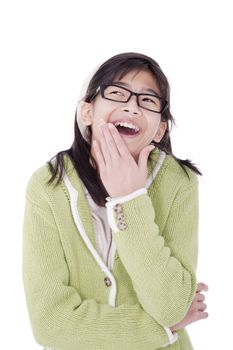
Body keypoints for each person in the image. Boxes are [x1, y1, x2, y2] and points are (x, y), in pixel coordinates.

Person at [22, 52, 209, 350]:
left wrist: (129, 199)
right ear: (86, 112)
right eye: (117, 93)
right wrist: (160, 329)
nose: (132, 106)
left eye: (147, 101)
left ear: (159, 129)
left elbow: (171, 305)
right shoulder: (47, 186)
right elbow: (50, 323)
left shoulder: (179, 182)